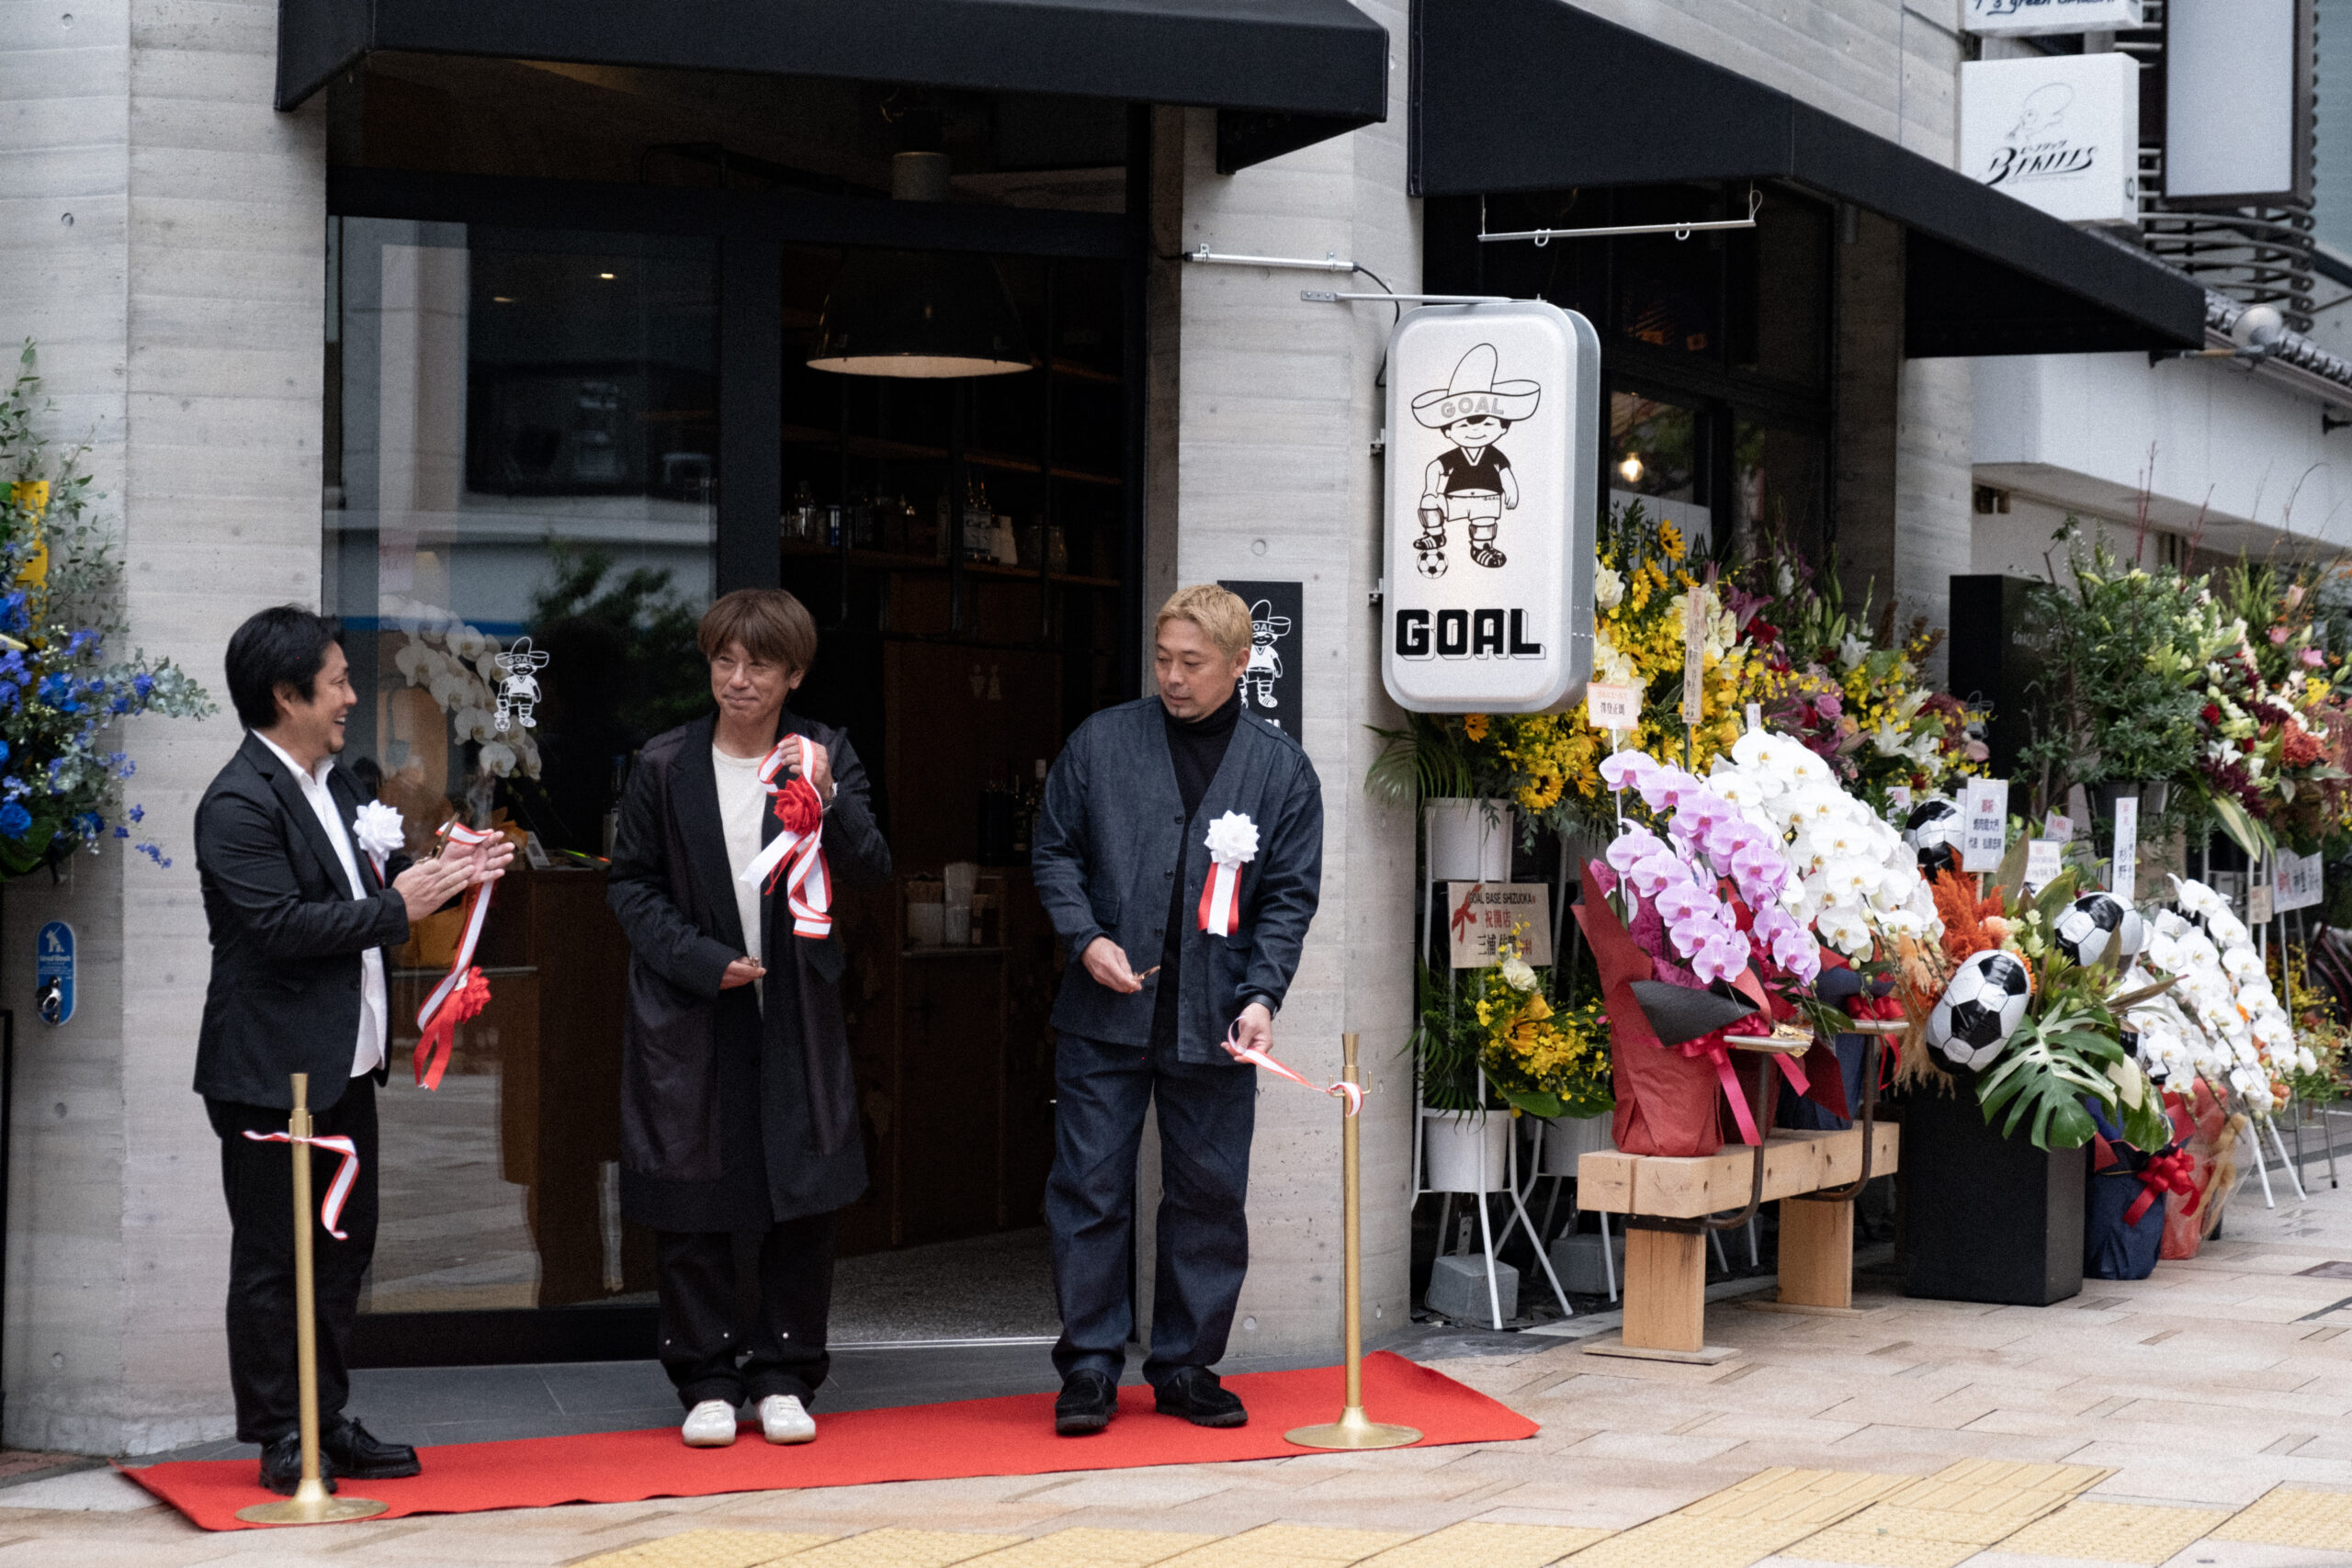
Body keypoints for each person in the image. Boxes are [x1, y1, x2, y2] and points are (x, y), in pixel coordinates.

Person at [195, 606, 512, 1495]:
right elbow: (278, 928)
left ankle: (325, 1415)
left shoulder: (335, 784)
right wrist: (399, 906)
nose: (348, 697)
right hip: (271, 1072)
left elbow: (369, 887)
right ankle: (281, 1439)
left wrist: (449, 868)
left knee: (341, 1247)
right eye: (335, 682)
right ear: (285, 695)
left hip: (345, 1063)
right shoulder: (235, 802)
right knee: (274, 1256)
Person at [1031, 583, 1324, 1436]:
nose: (1172, 676)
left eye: (1192, 663)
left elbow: (1288, 898)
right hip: (1101, 1015)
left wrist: (1265, 993)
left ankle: (1188, 1364)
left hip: (1218, 1018)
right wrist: (1085, 938)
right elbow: (1053, 851)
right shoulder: (1101, 742)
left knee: (1207, 1195)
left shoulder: (1280, 769)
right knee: (1088, 1188)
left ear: (1240, 664)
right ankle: (1088, 1366)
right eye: (1162, 658)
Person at [606, 588, 889, 1449]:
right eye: (724, 660)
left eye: (758, 664)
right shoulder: (663, 764)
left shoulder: (823, 753)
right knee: (695, 1186)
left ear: (792, 672)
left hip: (794, 1006)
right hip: (693, 1007)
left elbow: (870, 871)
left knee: (798, 1187)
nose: (738, 679)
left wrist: (832, 800)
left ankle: (784, 1371)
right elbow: (630, 884)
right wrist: (699, 959)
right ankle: (706, 1374)